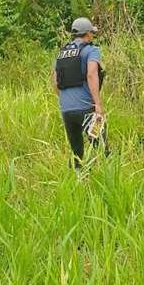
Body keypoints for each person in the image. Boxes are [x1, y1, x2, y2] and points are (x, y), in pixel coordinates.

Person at [52, 17, 108, 171]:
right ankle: (108, 181)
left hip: (66, 110)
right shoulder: (91, 50)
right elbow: (91, 74)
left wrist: (66, 100)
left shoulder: (61, 54)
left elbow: (55, 82)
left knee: (77, 152)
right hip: (87, 109)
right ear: (88, 34)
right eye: (92, 33)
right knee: (101, 148)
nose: (92, 36)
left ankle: (79, 182)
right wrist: (97, 104)